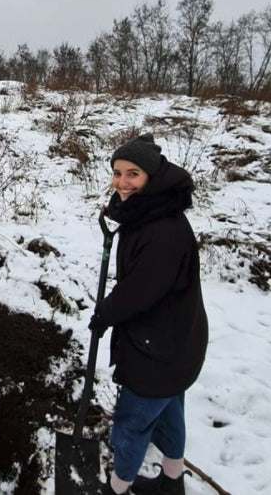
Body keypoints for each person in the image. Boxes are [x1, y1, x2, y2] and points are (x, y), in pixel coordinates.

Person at [88, 134, 208, 495]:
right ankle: (172, 481)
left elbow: (139, 290)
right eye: (117, 173)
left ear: (151, 178)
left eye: (133, 175)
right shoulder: (152, 212)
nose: (122, 183)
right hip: (176, 343)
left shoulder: (162, 232)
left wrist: (105, 314)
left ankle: (117, 489)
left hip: (157, 349)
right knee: (170, 411)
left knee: (132, 425)